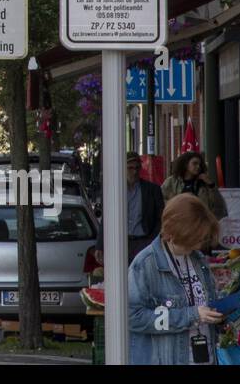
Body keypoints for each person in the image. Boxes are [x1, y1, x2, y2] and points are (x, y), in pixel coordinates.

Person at [129, 193, 224, 365]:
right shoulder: (145, 265)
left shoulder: (198, 259)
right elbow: (134, 318)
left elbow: (206, 303)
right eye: (196, 238)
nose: (199, 244)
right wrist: (191, 315)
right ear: (176, 232)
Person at [96, 151, 164, 264]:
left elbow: (161, 217)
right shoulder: (114, 190)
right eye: (130, 168)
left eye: (137, 168)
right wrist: (100, 245)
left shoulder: (152, 190)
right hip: (120, 242)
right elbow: (107, 219)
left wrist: (153, 240)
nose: (134, 172)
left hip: (144, 241)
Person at [162, 151, 227, 220]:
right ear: (185, 164)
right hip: (178, 223)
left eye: (200, 164)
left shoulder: (204, 183)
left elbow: (219, 206)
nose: (198, 167)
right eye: (195, 163)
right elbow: (161, 201)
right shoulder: (171, 182)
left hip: (200, 224)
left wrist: (211, 185)